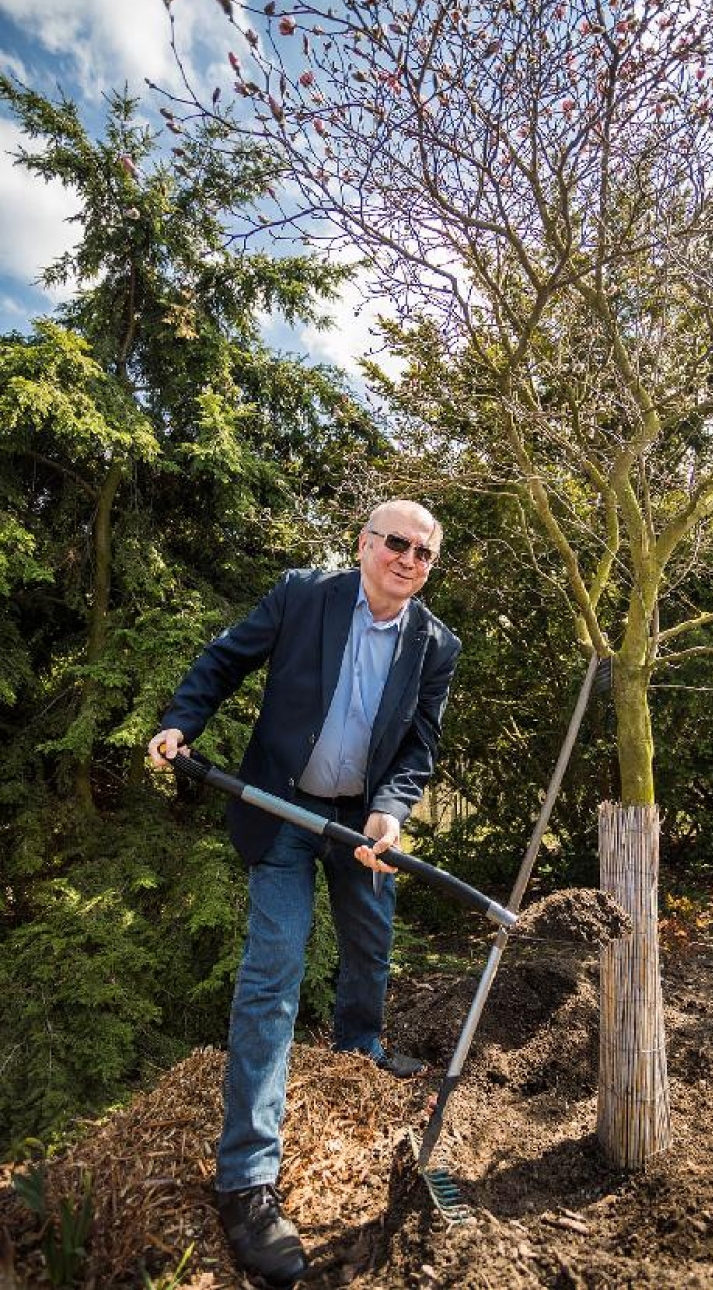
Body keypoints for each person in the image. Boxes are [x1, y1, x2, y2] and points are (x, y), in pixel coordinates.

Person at [148, 499, 460, 1287]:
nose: (410, 560)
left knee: (369, 942)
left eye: (424, 553)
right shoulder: (300, 594)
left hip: (359, 820)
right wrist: (181, 723)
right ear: (363, 544)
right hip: (279, 808)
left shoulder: (435, 646)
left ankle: (359, 1049)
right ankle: (246, 1181)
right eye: (397, 543)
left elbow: (418, 747)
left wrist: (391, 812)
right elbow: (223, 661)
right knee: (275, 972)